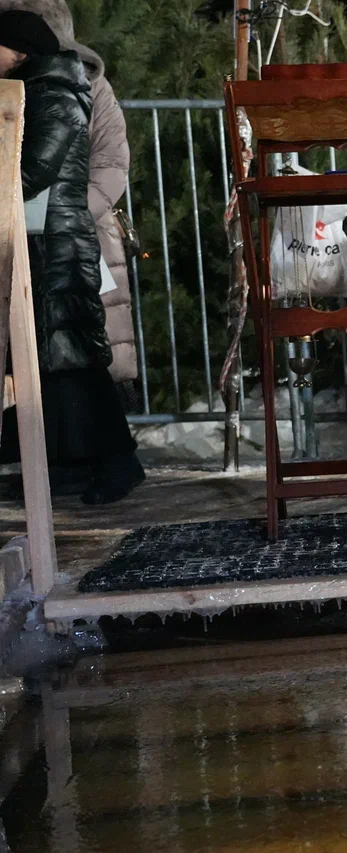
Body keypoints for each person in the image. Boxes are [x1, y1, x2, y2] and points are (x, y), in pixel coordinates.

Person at [0, 10, 143, 504]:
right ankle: (72, 464)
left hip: (57, 241)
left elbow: (35, 166)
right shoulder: (37, 87)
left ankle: (118, 463)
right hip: (44, 239)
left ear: (17, 49)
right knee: (53, 359)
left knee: (75, 358)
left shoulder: (54, 90)